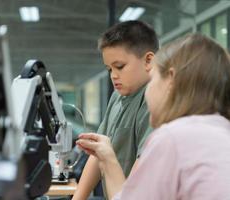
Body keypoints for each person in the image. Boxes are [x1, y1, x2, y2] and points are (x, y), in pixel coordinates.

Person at [76, 33, 230, 200]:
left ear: (170, 80)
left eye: (153, 79)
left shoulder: (172, 138)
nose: (148, 91)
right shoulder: (220, 130)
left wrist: (108, 159)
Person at [72, 20, 159, 200]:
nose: (113, 75)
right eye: (109, 69)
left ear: (148, 60)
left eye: (119, 67)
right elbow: (98, 153)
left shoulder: (153, 100)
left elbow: (142, 171)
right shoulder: (118, 96)